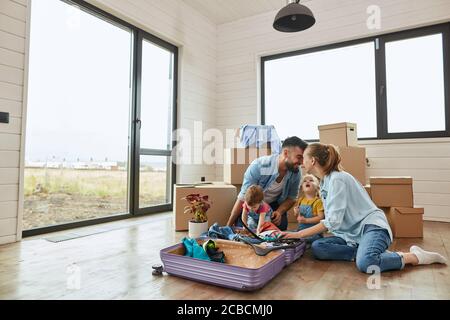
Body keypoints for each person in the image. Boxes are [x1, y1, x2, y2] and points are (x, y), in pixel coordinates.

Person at [282, 143, 447, 273]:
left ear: (312, 161)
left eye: (304, 157)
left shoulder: (338, 179)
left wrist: (298, 234)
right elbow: (333, 222)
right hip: (351, 235)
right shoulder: (325, 182)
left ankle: (413, 256)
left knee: (366, 263)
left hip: (372, 228)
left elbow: (332, 222)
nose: (302, 161)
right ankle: (364, 251)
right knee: (318, 247)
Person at [226, 136, 308, 231]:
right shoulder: (259, 166)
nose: (302, 162)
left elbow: (292, 198)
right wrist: (228, 225)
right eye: (299, 157)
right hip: (252, 203)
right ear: (286, 153)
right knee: (243, 227)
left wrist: (279, 212)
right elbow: (242, 197)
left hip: (272, 206)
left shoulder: (296, 173)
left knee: (281, 224)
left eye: (303, 158)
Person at [294, 174, 324, 244]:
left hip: (315, 232)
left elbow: (321, 217)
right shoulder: (301, 200)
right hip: (302, 230)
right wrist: (296, 213)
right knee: (289, 234)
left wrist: (306, 220)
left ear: (317, 187)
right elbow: (298, 218)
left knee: (305, 238)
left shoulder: (318, 201)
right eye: (305, 181)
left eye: (311, 180)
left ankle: (303, 242)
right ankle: (301, 241)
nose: (307, 182)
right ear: (302, 188)